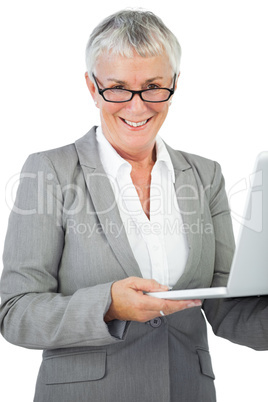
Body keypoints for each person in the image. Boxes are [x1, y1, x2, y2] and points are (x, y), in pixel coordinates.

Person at [0, 9, 268, 402]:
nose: (137, 106)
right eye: (118, 87)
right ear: (93, 88)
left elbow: (228, 307)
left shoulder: (205, 176)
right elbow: (16, 313)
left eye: (154, 86)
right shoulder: (51, 172)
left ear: (175, 84)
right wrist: (107, 305)